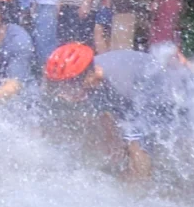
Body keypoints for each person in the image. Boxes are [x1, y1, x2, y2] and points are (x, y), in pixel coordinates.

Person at [44, 42, 152, 179]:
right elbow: (104, 115)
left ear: (91, 75)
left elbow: (137, 142)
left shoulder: (120, 85)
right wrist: (112, 145)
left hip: (168, 98)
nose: (64, 93)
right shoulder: (94, 76)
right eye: (59, 86)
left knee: (137, 154)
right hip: (139, 93)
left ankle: (139, 195)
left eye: (71, 85)